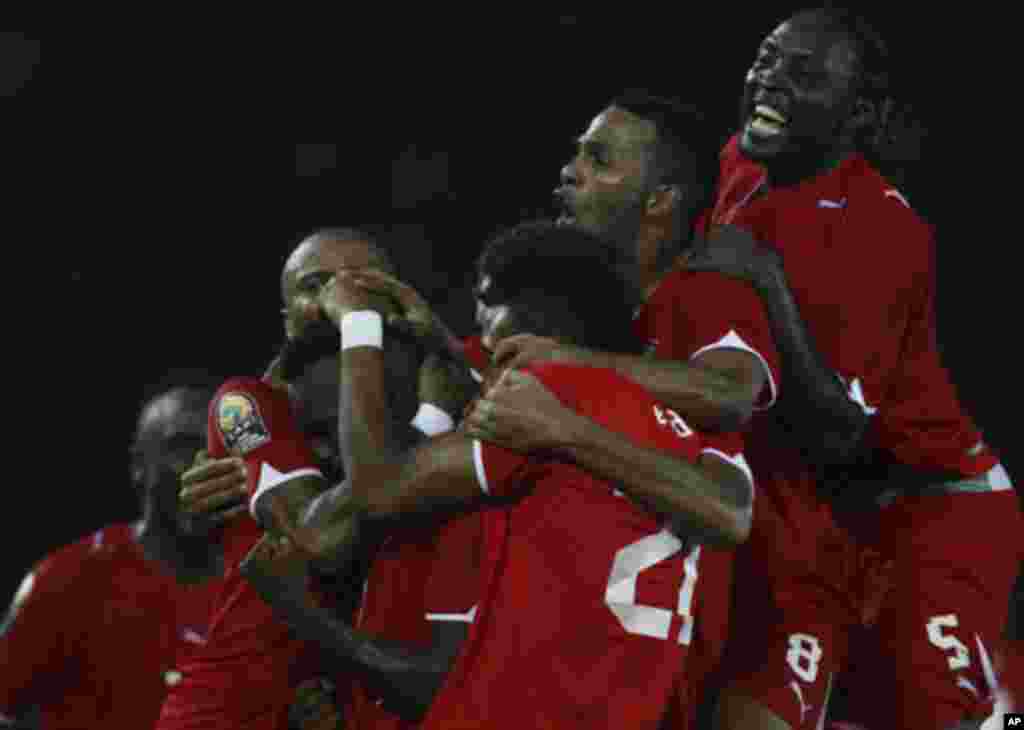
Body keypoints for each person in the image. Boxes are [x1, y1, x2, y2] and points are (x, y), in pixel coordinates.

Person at [244, 220, 755, 729]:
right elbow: (731, 513)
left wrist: (360, 326)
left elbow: (374, 490)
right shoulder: (685, 430)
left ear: (526, 318)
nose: (478, 328)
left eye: (486, 302)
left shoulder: (544, 409)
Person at [682, 7, 1021, 728]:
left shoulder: (883, 232)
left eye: (804, 74)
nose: (769, 79)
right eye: (767, 57)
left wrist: (767, 281)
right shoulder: (739, 162)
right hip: (822, 500)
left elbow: (842, 433)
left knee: (922, 714)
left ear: (858, 115)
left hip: (933, 507)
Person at [0, 378, 225, 730]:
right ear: (140, 465)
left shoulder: (265, 587)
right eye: (182, 447)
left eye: (217, 450)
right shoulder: (69, 580)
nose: (202, 466)